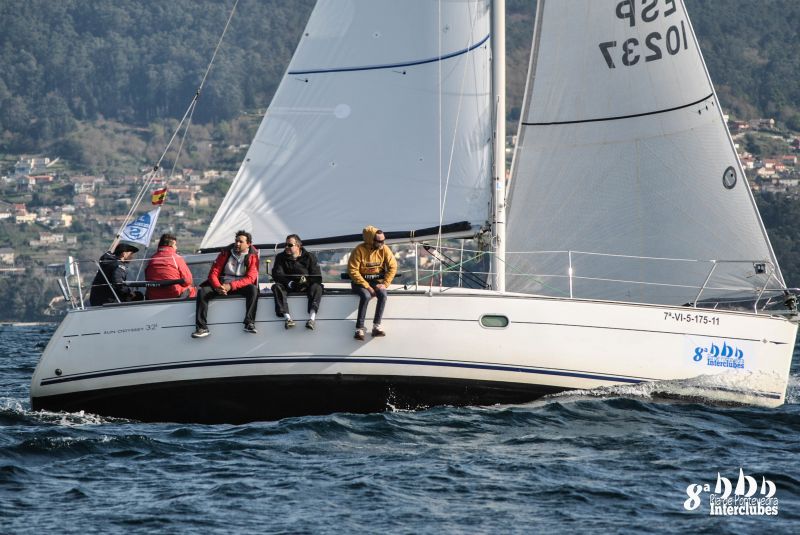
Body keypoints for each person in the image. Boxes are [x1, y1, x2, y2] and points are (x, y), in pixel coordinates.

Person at [192, 230, 259, 338]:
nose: (237, 243)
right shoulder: (225, 253)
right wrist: (218, 286)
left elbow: (250, 278)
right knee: (203, 291)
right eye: (236, 241)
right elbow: (213, 273)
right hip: (222, 285)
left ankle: (249, 323)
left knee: (253, 289)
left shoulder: (253, 256)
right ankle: (202, 328)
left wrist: (231, 286)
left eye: (240, 242)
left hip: (239, 286)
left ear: (248, 244)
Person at [348, 225, 397, 340]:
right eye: (379, 241)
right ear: (371, 240)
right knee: (366, 296)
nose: (382, 243)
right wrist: (367, 286)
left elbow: (393, 266)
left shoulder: (384, 249)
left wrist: (385, 284)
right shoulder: (359, 250)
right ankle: (359, 329)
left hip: (376, 281)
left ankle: (376, 326)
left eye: (383, 240)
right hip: (359, 282)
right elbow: (353, 270)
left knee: (383, 294)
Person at [271, 234, 323, 330]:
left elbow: (317, 277)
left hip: (306, 286)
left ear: (298, 246)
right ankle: (288, 318)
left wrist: (306, 282)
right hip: (288, 286)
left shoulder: (309, 257)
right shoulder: (280, 257)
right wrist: (290, 283)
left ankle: (312, 319)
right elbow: (277, 275)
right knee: (276, 287)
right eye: (285, 245)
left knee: (317, 286)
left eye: (290, 245)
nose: (286, 247)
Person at [144, 233, 197, 300]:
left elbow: (147, 278)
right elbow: (188, 280)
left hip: (153, 297)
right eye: (175, 245)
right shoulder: (176, 258)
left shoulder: (150, 260)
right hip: (174, 295)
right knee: (192, 289)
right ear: (170, 246)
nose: (176, 247)